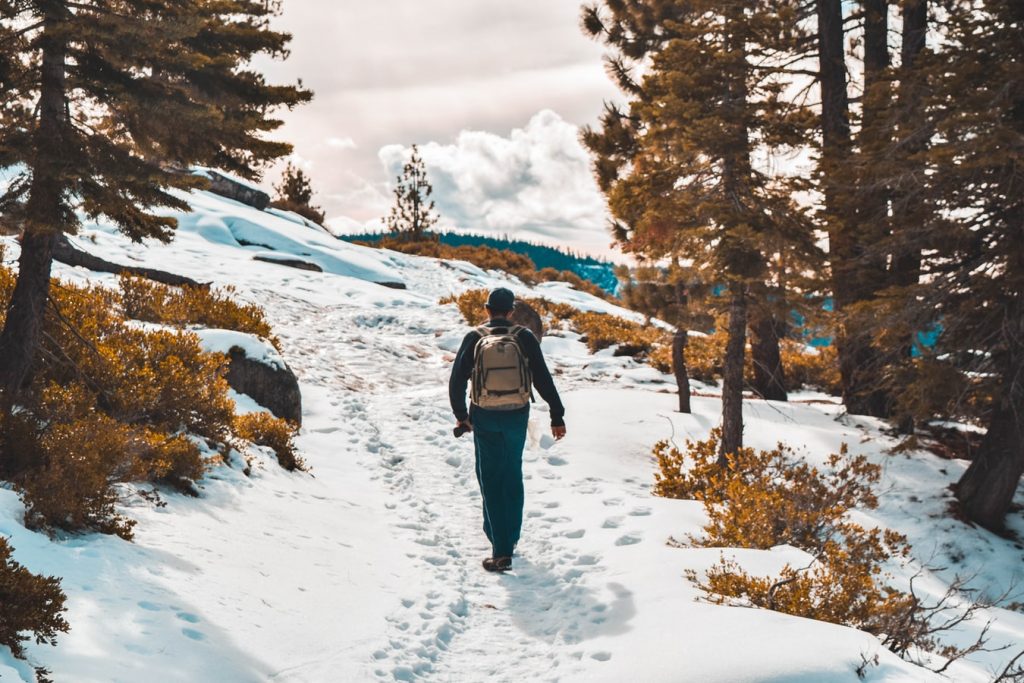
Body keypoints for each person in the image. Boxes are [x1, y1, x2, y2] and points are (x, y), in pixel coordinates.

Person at [449, 287, 566, 572]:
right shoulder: (524, 336)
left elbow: (456, 382)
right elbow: (543, 380)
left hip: (484, 415)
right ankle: (509, 537)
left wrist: (462, 417)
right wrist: (556, 415)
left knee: (489, 477)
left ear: (487, 309)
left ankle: (500, 550)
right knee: (512, 473)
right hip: (516, 413)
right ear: (512, 311)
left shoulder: (474, 337)